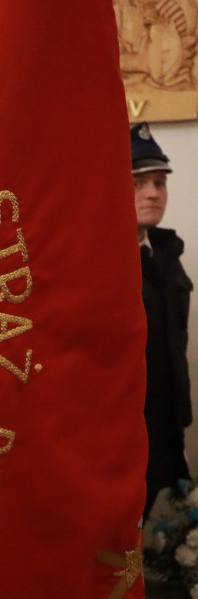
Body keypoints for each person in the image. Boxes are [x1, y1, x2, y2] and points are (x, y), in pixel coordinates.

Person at [132, 122, 194, 519]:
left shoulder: (165, 252)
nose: (154, 193)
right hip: (118, 442)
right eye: (138, 183)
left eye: (160, 182)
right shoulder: (96, 262)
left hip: (162, 433)